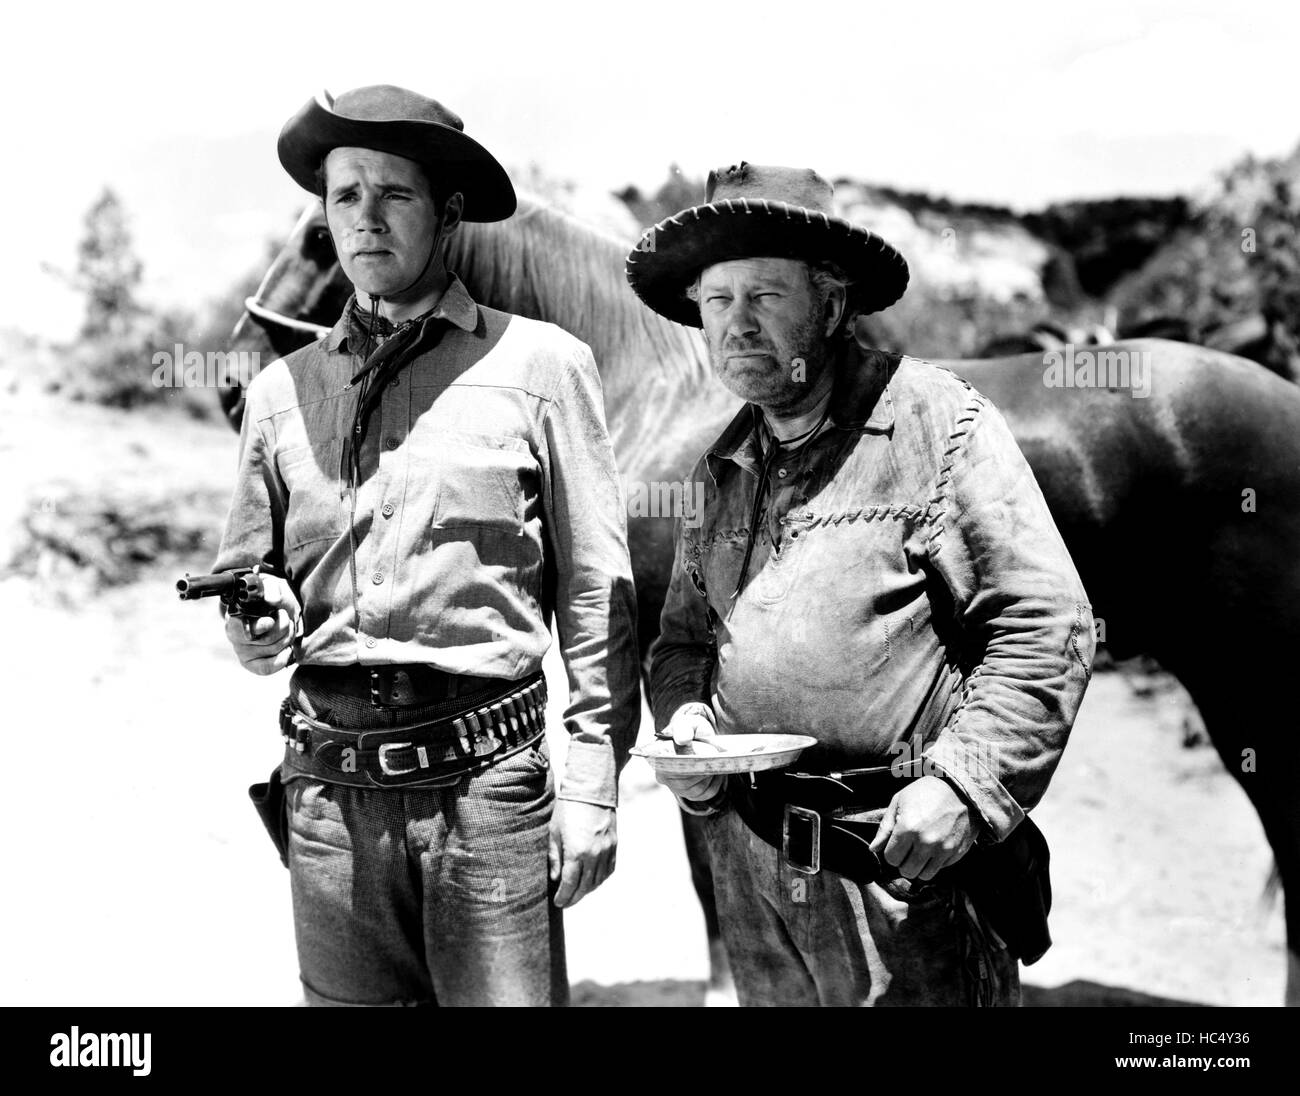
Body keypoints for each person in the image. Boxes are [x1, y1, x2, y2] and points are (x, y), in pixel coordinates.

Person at [628, 162, 1095, 1006]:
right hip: (754, 867)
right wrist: (687, 716)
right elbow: (684, 642)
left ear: (834, 304)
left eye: (765, 297)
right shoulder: (720, 469)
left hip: (900, 869)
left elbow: (1047, 624)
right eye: (716, 302)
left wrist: (961, 785)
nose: (736, 326)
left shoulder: (936, 425)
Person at [214, 85, 641, 1007]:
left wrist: (595, 783)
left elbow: (601, 595)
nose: (365, 220)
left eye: (393, 195)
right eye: (344, 197)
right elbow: (250, 583)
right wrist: (255, 627)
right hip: (327, 810)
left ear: (448, 214)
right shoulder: (280, 396)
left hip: (490, 805)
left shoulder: (543, 368)